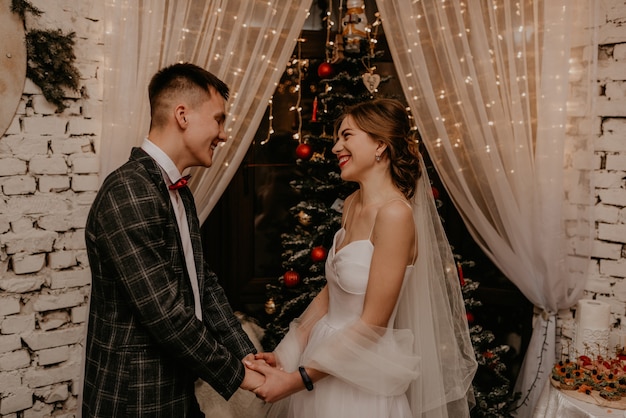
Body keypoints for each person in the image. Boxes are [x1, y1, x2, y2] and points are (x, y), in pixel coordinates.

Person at [245, 98, 478, 418]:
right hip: (319, 361)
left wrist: (298, 380)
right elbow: (331, 294)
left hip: (359, 377)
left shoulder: (395, 215)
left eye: (347, 136)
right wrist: (284, 355)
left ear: (380, 145)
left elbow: (373, 324)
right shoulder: (353, 203)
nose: (336, 147)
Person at [82, 63, 263, 417]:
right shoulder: (128, 191)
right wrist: (242, 376)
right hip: (135, 397)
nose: (223, 134)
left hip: (176, 388)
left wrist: (247, 354)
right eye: (218, 119)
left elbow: (203, 284)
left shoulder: (178, 191)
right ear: (182, 115)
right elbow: (166, 314)